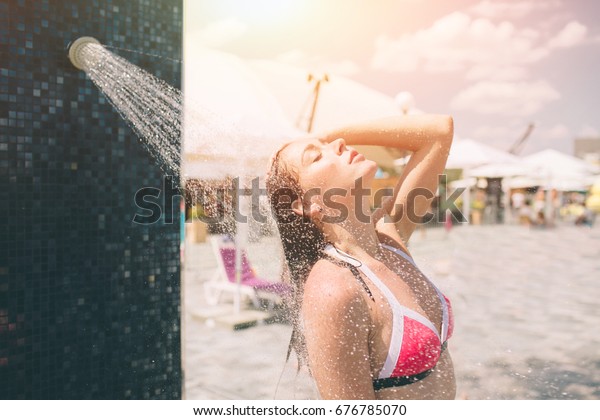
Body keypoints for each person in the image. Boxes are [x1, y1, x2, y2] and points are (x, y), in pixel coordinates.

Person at [266, 115, 455, 399]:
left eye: (330, 144)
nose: (340, 144)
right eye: (316, 156)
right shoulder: (333, 290)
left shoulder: (390, 238)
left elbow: (438, 133)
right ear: (305, 204)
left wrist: (326, 132)